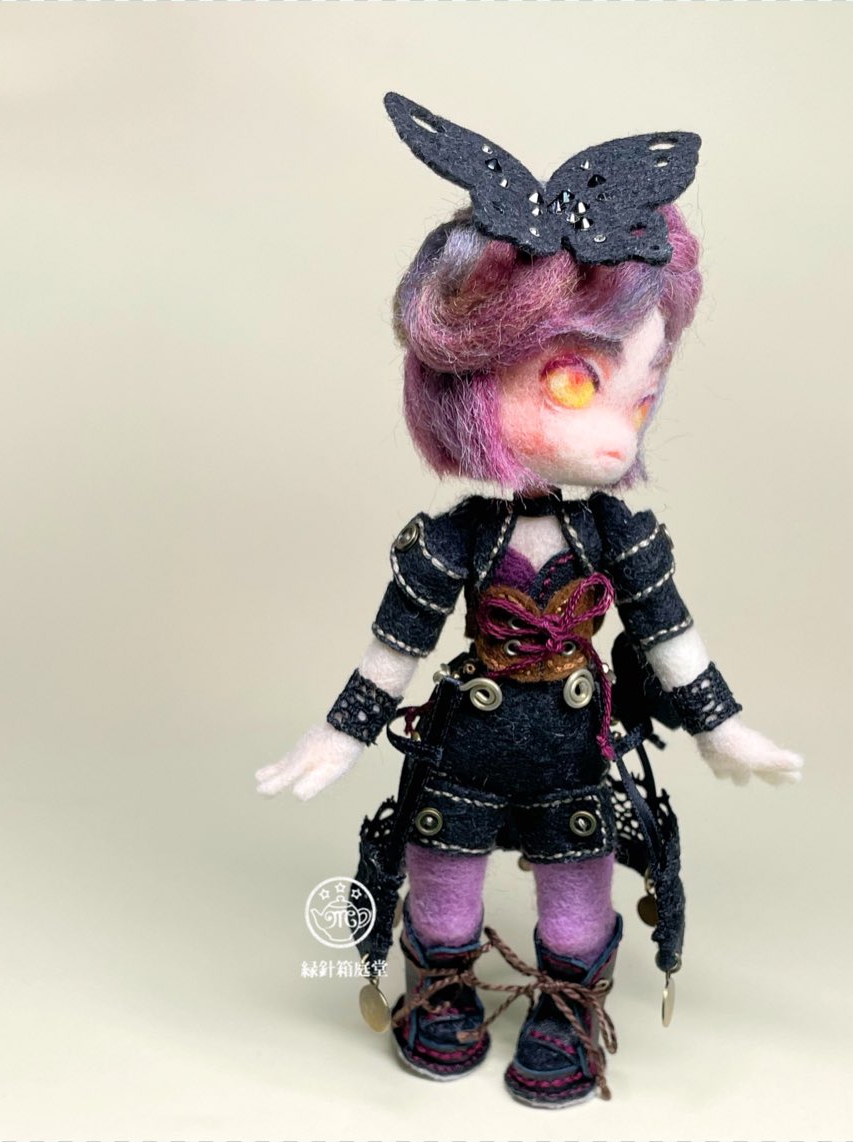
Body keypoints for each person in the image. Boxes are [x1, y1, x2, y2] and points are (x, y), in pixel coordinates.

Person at [256, 93, 802, 1108]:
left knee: (577, 886)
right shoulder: (456, 539)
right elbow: (399, 641)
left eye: (640, 396)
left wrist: (722, 728)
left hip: (573, 743)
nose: (620, 433)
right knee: (441, 874)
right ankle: (440, 985)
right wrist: (340, 733)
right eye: (573, 384)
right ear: (473, 374)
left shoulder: (619, 536)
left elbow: (667, 632)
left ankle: (566, 1004)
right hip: (467, 739)